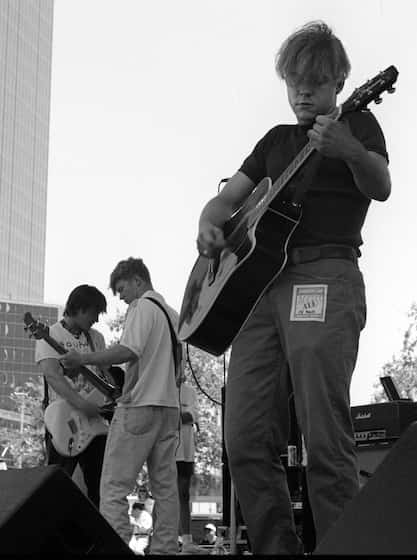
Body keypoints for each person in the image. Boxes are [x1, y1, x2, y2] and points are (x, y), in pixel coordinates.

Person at [196, 21, 391, 555]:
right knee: (243, 437)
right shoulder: (274, 141)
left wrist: (348, 149)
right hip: (260, 291)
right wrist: (208, 224)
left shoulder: (360, 124)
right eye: (294, 82)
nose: (303, 92)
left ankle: (341, 547)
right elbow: (226, 200)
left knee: (323, 431)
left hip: (325, 275)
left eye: (314, 82)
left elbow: (382, 186)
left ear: (339, 82)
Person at [61, 257, 180, 555]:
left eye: (122, 288)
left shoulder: (142, 307)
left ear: (138, 281)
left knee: (113, 488)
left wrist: (82, 359)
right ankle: (165, 550)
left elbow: (128, 350)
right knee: (165, 489)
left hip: (140, 406)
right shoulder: (173, 314)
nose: (121, 297)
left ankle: (114, 549)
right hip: (169, 409)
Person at [35, 284, 110, 508]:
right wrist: (81, 403)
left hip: (96, 423)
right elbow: (53, 376)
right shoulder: (50, 335)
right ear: (79, 308)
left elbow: (105, 376)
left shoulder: (96, 338)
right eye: (94, 311)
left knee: (100, 486)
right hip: (64, 421)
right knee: (58, 483)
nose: (96, 318)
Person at [176, 372, 201, 554]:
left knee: (184, 494)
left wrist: (175, 416)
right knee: (163, 493)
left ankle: (186, 541)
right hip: (166, 449)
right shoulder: (160, 388)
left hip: (186, 450)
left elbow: (191, 416)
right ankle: (159, 538)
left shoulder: (190, 391)